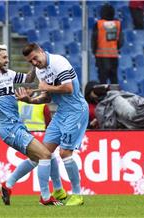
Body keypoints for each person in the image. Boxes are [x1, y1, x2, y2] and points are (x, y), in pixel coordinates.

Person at [0, 44, 62, 206]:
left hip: (17, 126)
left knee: (37, 158)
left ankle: (7, 186)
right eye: (4, 57)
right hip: (10, 128)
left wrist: (35, 64)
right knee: (45, 155)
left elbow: (28, 80)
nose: (7, 60)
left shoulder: (9, 74)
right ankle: (46, 197)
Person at [16, 43, 89, 206]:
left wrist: (46, 87)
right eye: (30, 62)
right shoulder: (40, 70)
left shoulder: (58, 62)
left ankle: (77, 195)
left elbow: (69, 88)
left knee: (65, 153)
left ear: (41, 51)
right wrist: (31, 100)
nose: (34, 63)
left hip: (76, 111)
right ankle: (58, 190)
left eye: (35, 58)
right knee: (44, 152)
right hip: (61, 112)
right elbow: (47, 98)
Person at [91, 3, 123, 84]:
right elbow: (121, 41)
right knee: (114, 78)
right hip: (113, 55)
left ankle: (103, 96)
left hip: (101, 56)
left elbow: (94, 39)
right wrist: (116, 48)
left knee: (102, 79)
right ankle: (115, 95)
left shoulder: (98, 24)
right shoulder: (117, 24)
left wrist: (94, 51)